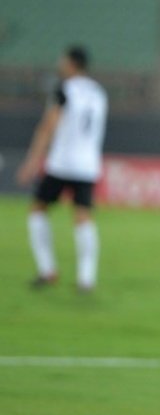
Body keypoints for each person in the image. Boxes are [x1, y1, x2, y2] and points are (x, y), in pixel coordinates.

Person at [17, 46, 107, 292]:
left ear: (71, 63)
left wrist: (32, 162)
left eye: (62, 60)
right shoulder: (98, 92)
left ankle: (48, 270)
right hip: (88, 164)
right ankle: (86, 279)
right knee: (83, 217)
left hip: (62, 162)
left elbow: (48, 126)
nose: (60, 63)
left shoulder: (64, 90)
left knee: (38, 209)